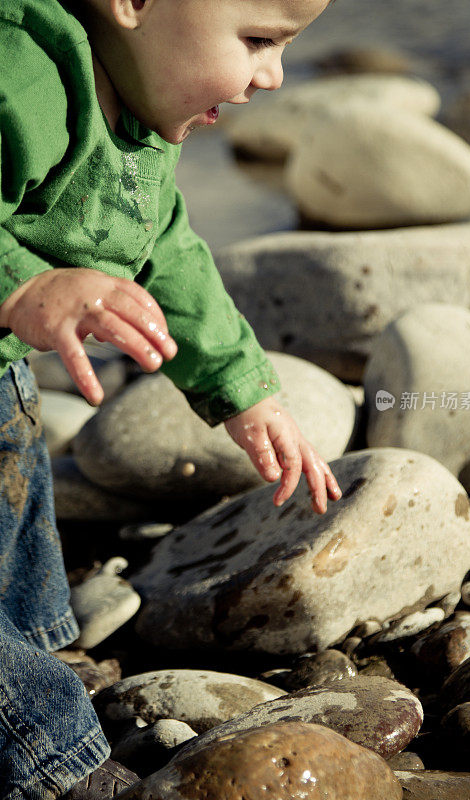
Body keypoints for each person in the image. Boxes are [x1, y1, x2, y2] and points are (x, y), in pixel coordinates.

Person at [0, 0, 340, 796]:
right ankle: (51, 761)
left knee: (14, 528)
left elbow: (169, 253)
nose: (273, 75)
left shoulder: (143, 115)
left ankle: (37, 645)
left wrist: (243, 391)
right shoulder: (22, 70)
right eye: (257, 39)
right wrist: (30, 284)